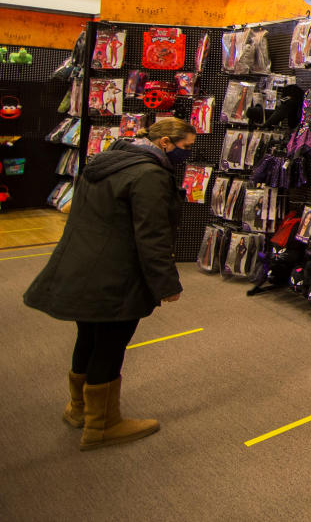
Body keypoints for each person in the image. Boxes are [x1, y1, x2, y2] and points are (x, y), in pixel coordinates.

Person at [24, 118, 195, 451]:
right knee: (111, 342)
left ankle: (79, 410)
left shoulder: (105, 160)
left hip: (82, 264)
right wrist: (166, 284)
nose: (186, 155)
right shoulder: (149, 175)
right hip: (115, 273)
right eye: (185, 148)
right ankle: (103, 425)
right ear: (165, 143)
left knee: (88, 335)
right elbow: (152, 235)